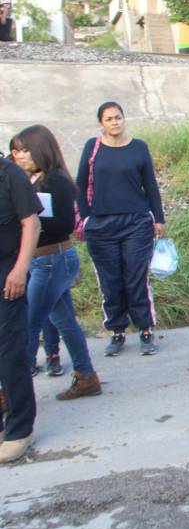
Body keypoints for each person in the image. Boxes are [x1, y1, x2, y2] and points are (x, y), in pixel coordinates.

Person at [10, 126, 100, 401]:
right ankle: (86, 376)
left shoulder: (55, 181)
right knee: (64, 321)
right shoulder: (32, 180)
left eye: (25, 150)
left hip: (51, 258)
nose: (20, 156)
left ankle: (13, 392)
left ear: (40, 149)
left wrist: (30, 221)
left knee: (28, 324)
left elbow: (64, 224)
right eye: (16, 151)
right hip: (47, 260)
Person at [76, 101, 166, 357]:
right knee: (110, 280)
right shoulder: (92, 148)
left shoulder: (138, 147)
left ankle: (146, 329)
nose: (115, 122)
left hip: (136, 222)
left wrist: (158, 219)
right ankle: (116, 330)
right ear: (101, 124)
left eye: (118, 117)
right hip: (101, 225)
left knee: (135, 277)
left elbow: (150, 185)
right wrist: (86, 218)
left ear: (124, 119)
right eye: (109, 119)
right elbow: (80, 184)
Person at [0, 149, 42, 463]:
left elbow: (31, 224)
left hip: (7, 274)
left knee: (10, 351)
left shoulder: (10, 174)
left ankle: (19, 430)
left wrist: (20, 268)